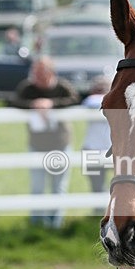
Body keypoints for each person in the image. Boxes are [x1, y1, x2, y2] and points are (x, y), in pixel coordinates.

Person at [10, 56, 79, 228]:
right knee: (37, 187)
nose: (37, 76)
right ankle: (36, 223)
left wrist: (51, 104)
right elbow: (13, 101)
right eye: (35, 72)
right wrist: (34, 105)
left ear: (51, 72)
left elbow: (75, 100)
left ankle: (55, 224)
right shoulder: (28, 88)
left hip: (60, 144)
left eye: (41, 72)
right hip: (37, 144)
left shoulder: (62, 87)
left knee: (58, 187)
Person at [81, 76, 112, 201]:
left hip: (113, 149)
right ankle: (98, 212)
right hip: (92, 149)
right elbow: (91, 101)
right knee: (96, 186)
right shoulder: (90, 102)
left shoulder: (116, 102)